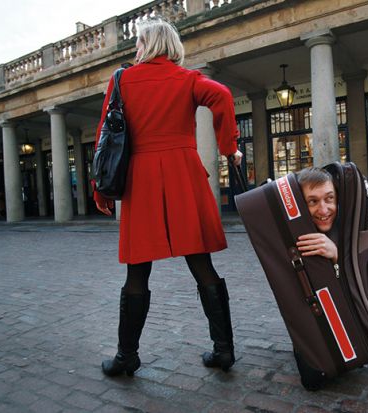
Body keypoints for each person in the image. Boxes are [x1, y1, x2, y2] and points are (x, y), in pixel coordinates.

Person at [93, 17, 243, 377]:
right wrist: (229, 148)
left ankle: (127, 357)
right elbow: (221, 95)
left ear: (146, 45)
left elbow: (105, 137)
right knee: (202, 264)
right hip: (183, 175)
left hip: (141, 178)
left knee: (137, 271)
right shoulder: (188, 79)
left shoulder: (122, 80)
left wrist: (101, 187)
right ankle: (224, 351)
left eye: (138, 44)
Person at [295, 167, 338, 264]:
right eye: (313, 201)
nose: (323, 211)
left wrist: (335, 254)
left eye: (329, 198)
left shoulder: (351, 233)